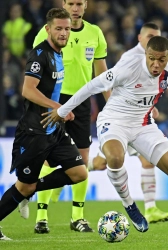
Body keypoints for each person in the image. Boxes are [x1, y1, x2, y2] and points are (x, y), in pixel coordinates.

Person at [40, 36, 168, 241]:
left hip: (143, 125)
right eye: (152, 58)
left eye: (161, 59)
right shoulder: (128, 67)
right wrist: (61, 110)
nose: (156, 64)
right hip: (114, 121)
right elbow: (91, 86)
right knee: (114, 158)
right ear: (146, 54)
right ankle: (130, 205)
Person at [19, 0, 109, 234]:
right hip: (54, 101)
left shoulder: (95, 33)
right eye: (71, 3)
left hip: (82, 101)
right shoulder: (47, 32)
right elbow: (34, 67)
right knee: (48, 159)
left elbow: (103, 73)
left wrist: (111, 104)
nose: (75, 7)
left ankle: (77, 217)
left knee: (83, 158)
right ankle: (42, 217)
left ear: (86, 5)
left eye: (79, 3)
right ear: (64, 4)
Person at [0, 8, 88, 241]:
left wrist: (58, 111)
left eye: (67, 29)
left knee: (80, 173)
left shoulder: (59, 53)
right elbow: (27, 90)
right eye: (58, 28)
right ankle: (23, 194)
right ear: (48, 29)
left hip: (54, 130)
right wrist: (58, 108)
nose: (63, 33)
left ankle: (28, 191)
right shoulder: (40, 54)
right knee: (23, 186)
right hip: (34, 132)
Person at [91, 22, 168, 223]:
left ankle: (151, 208)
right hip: (120, 120)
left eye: (157, 36)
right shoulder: (130, 58)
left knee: (147, 161)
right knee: (104, 163)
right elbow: (109, 84)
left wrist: (145, 105)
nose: (153, 40)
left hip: (138, 121)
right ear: (140, 38)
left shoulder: (155, 60)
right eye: (149, 36)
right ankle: (75, 166)